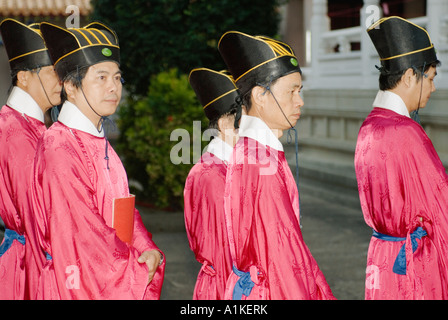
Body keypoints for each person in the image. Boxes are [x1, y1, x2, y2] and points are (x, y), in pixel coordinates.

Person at [27, 21, 165, 299]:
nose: (113, 87)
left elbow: (122, 210)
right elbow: (81, 236)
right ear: (70, 86)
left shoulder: (97, 140)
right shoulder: (60, 147)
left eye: (117, 78)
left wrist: (146, 249)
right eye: (101, 78)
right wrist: (131, 267)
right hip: (75, 284)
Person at [218, 31, 335, 300]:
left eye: (300, 91)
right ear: (260, 95)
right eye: (291, 91)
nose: (300, 101)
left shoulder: (253, 149)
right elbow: (282, 256)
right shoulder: (260, 161)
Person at [355, 16, 448, 299]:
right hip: (414, 269)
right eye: (430, 78)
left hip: (383, 261)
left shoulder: (369, 126)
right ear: (409, 76)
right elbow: (441, 210)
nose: (433, 88)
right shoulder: (405, 132)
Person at [0, 19, 61, 300]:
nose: (61, 81)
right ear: (23, 77)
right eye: (52, 72)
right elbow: (35, 217)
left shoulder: (28, 126)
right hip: (30, 264)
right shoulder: (16, 134)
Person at [184, 68, 239, 299]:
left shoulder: (235, 165)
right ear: (226, 123)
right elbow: (223, 252)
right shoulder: (211, 176)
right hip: (226, 290)